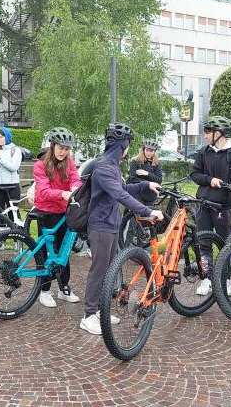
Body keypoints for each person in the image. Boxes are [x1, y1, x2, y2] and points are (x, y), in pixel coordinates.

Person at [81, 122, 163, 335]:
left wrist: (146, 184)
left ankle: (100, 310)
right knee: (98, 271)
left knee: (109, 271)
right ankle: (88, 315)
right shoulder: (104, 168)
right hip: (101, 226)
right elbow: (120, 195)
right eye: (127, 145)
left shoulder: (112, 166)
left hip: (110, 224)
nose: (128, 149)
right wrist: (148, 211)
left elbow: (122, 188)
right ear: (122, 146)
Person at [190, 116, 231, 297]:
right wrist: (209, 180)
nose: (205, 135)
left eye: (208, 132)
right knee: (204, 243)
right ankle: (206, 279)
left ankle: (226, 279)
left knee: (226, 244)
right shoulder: (204, 152)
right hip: (203, 204)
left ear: (219, 133)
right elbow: (194, 174)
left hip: (223, 206)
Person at [32, 127, 83, 308]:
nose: (63, 152)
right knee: (46, 252)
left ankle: (63, 288)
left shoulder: (69, 162)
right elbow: (43, 191)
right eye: (61, 147)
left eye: (67, 149)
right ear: (53, 145)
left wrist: (76, 187)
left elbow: (75, 178)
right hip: (46, 211)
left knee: (64, 250)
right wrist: (62, 193)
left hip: (63, 211)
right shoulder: (40, 165)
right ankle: (44, 291)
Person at [127, 139, 163, 206]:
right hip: (138, 194)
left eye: (151, 151)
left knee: (149, 212)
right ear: (143, 150)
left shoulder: (157, 163)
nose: (149, 153)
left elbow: (159, 180)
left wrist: (146, 173)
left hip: (150, 196)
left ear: (154, 151)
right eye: (147, 150)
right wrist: (148, 183)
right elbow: (132, 179)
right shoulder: (135, 161)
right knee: (136, 211)